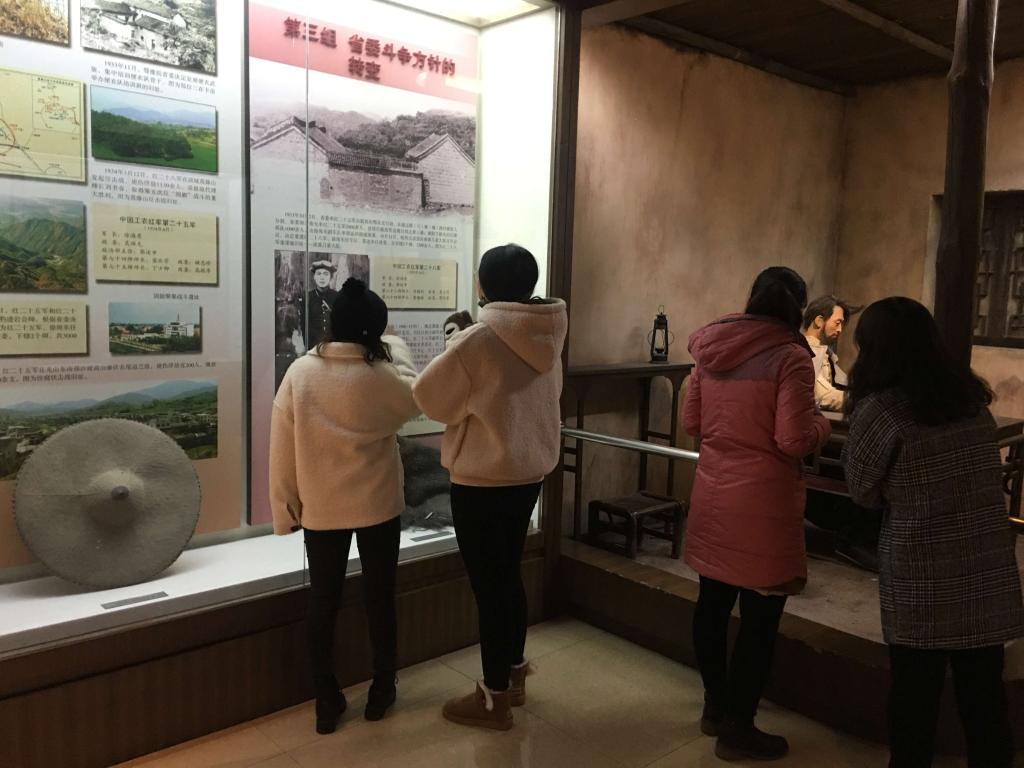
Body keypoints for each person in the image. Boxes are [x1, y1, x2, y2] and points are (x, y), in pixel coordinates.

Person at [841, 297, 1023, 768]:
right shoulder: (970, 402)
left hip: (920, 573)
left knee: (913, 700)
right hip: (984, 568)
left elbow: (861, 490)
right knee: (984, 701)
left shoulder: (882, 410)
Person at [413, 243, 567, 731]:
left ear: (483, 285)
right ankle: (515, 675)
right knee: (508, 576)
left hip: (481, 480)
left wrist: (455, 348)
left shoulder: (478, 341)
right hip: (527, 475)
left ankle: (493, 699)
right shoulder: (548, 333)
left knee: (489, 588)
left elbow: (430, 399)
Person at [682, 266, 830, 762]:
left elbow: (691, 422)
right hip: (764, 504)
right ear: (798, 308)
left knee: (712, 604)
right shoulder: (791, 358)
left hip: (713, 493)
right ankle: (739, 729)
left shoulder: (711, 351)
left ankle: (715, 706)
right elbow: (793, 438)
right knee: (760, 618)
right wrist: (822, 428)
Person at [269, 278, 420, 734]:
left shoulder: (301, 372)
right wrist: (395, 346)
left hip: (322, 507)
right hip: (378, 505)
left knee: (323, 601)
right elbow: (417, 396)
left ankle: (326, 701)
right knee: (380, 598)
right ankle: (382, 689)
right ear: (376, 329)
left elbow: (282, 447)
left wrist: (285, 510)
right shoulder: (382, 376)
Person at [801, 295, 850, 412]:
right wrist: (861, 401)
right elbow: (822, 395)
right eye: (837, 323)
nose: (840, 330)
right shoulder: (806, 352)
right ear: (819, 321)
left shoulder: (824, 353)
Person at [307, 259, 339, 348]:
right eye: (318, 274)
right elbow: (304, 324)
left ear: (331, 277)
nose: (322, 277)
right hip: (312, 345)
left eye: (326, 274)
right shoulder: (307, 297)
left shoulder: (337, 297)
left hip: (333, 345)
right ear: (314, 277)